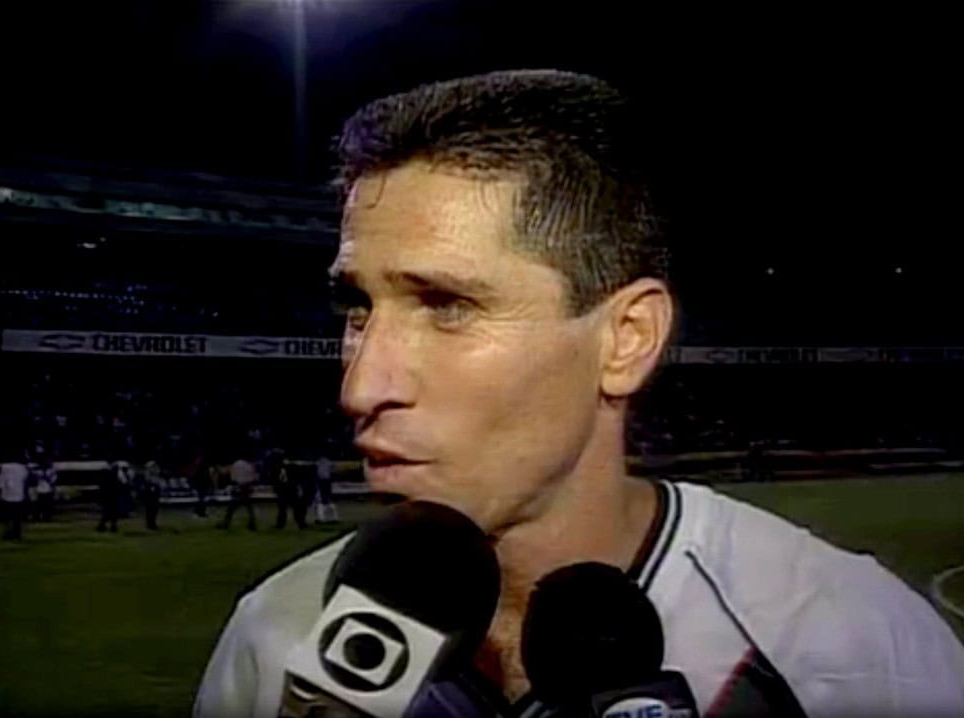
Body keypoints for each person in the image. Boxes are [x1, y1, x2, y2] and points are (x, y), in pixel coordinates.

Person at [194, 70, 964, 717]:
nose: (361, 385)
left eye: (447, 305)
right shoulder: (276, 636)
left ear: (626, 339)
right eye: (357, 307)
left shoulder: (849, 642)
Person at [217, 452, 259, 531]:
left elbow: (232, 477)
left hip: (241, 488)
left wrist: (218, 468)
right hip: (247, 488)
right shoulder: (250, 465)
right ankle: (252, 524)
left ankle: (226, 524)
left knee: (232, 507)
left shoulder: (236, 464)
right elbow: (254, 478)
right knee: (248, 507)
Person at [0, 454, 29, 540]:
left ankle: (8, 533)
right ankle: (16, 534)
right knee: (17, 518)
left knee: (5, 518)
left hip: (6, 496)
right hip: (19, 496)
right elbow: (25, 482)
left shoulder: (4, 467)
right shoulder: (23, 468)